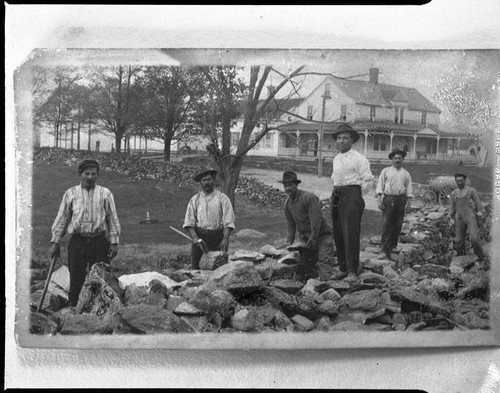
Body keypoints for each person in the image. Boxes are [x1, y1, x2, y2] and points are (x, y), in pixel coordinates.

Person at [50, 158, 121, 307]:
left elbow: (112, 218)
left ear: (98, 175)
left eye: (94, 174)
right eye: (87, 173)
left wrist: (114, 243)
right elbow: (62, 218)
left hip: (99, 241)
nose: (90, 177)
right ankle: (75, 309)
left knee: (100, 277)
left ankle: (99, 309)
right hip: (78, 241)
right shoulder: (71, 193)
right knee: (76, 276)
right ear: (80, 174)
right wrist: (55, 242)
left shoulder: (105, 193)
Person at [330, 124, 374, 283]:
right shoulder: (336, 158)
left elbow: (368, 181)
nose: (341, 141)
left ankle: (352, 270)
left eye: (345, 138)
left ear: (352, 140)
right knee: (338, 232)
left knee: (350, 233)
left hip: (352, 195)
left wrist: (355, 197)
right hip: (336, 194)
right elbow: (335, 179)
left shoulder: (359, 158)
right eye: (339, 138)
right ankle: (342, 268)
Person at [280, 171, 335, 282]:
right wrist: (289, 241)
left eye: (290, 185)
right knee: (305, 267)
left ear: (296, 185)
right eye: (285, 186)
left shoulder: (309, 198)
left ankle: (329, 292)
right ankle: (311, 288)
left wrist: (313, 238)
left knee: (324, 264)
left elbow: (316, 220)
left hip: (322, 236)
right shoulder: (287, 204)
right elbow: (291, 224)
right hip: (306, 239)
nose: (288, 188)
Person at [183, 169, 235, 269]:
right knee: (196, 268)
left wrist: (225, 238)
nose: (207, 182)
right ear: (200, 183)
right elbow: (189, 221)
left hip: (217, 238)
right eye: (204, 180)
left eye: (209, 179)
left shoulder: (223, 198)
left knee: (219, 268)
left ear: (214, 181)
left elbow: (229, 220)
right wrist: (194, 237)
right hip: (200, 238)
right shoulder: (195, 200)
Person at [376, 149, 413, 260]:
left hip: (401, 200)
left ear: (402, 160)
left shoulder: (406, 173)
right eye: (395, 158)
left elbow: (409, 188)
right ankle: (384, 249)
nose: (397, 160)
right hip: (389, 199)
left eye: (399, 158)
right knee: (387, 224)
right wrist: (379, 200)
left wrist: (409, 203)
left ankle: (393, 246)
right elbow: (380, 186)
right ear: (392, 160)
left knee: (398, 224)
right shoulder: (386, 171)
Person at [449, 173, 485, 260]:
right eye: (458, 181)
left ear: (465, 181)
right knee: (458, 240)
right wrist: (450, 217)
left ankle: (480, 259)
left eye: (461, 181)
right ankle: (461, 260)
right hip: (459, 218)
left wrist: (479, 213)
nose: (460, 182)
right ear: (455, 182)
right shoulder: (454, 193)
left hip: (470, 217)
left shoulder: (471, 191)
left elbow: (478, 204)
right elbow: (452, 208)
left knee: (475, 238)